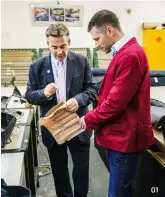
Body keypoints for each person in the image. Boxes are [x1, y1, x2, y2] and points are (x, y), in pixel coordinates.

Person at [80, 10, 154, 197]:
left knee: (118, 192)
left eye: (97, 39)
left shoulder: (130, 55)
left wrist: (88, 119)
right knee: (119, 188)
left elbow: (115, 102)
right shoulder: (125, 53)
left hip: (125, 138)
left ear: (110, 30)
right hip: (120, 136)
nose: (96, 45)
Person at [25, 23, 97, 197]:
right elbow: (29, 95)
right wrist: (43, 93)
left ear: (69, 42)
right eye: (54, 47)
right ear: (47, 45)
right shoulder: (37, 66)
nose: (59, 52)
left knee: (81, 171)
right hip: (53, 128)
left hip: (77, 124)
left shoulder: (82, 61)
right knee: (59, 172)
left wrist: (78, 100)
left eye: (63, 46)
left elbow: (92, 90)